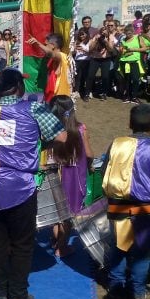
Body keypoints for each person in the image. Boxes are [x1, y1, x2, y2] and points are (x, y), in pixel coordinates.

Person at [0, 68, 66, 299]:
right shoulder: (34, 109)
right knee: (23, 243)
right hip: (18, 184)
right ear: (18, 88)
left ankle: (0, 290)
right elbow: (62, 136)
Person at [103, 103, 150, 299]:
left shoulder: (117, 143)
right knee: (143, 249)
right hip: (146, 208)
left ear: (129, 123)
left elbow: (105, 168)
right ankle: (138, 291)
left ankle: (115, 285)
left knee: (118, 246)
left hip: (118, 204)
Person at [46, 96, 93, 257]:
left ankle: (55, 239)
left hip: (53, 174)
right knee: (69, 214)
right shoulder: (80, 129)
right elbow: (88, 153)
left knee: (56, 210)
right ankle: (62, 246)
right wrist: (91, 164)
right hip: (73, 177)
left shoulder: (49, 130)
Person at [27, 33, 72, 102]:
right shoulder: (51, 59)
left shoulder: (62, 56)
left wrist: (38, 43)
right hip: (50, 97)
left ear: (53, 46)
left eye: (45, 45)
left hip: (58, 101)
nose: (44, 47)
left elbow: (51, 53)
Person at [117, 23, 150, 104]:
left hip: (135, 62)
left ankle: (134, 97)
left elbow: (144, 49)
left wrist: (133, 49)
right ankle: (128, 96)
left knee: (135, 79)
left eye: (130, 33)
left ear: (133, 32)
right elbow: (121, 51)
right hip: (125, 62)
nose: (128, 35)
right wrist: (121, 51)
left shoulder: (138, 37)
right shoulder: (123, 40)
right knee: (127, 80)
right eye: (126, 33)